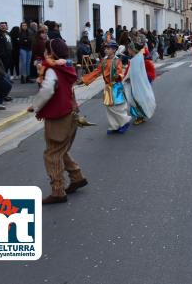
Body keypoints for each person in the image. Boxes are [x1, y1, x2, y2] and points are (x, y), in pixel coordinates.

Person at [28, 39, 87, 204]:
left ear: (51, 53)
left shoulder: (53, 70)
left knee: (52, 153)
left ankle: (58, 190)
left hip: (59, 116)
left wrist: (35, 106)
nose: (45, 55)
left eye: (47, 51)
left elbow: (47, 90)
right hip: (71, 111)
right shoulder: (66, 66)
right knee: (61, 149)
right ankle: (77, 176)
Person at [82, 41, 131, 134]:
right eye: (105, 48)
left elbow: (120, 72)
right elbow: (97, 71)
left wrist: (118, 76)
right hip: (108, 87)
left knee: (118, 107)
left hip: (116, 86)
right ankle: (114, 125)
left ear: (114, 50)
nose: (106, 50)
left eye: (108, 48)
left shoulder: (117, 61)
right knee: (109, 107)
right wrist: (85, 79)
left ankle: (124, 122)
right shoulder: (104, 61)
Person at [123, 42, 156, 126]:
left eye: (128, 49)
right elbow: (132, 71)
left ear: (132, 49)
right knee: (136, 99)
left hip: (137, 84)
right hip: (135, 83)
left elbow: (136, 73)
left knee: (136, 99)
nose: (127, 51)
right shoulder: (136, 58)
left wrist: (128, 78)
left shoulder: (137, 59)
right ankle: (141, 115)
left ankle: (140, 116)